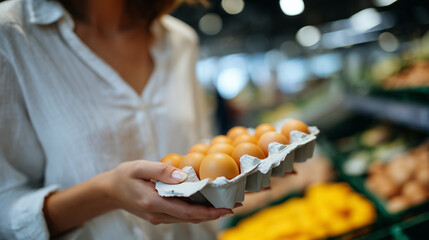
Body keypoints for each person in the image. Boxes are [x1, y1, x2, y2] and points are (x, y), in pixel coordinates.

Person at [0, 0, 235, 239]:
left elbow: (201, 150)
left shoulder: (181, 40)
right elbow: (5, 210)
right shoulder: (11, 34)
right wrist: (107, 193)